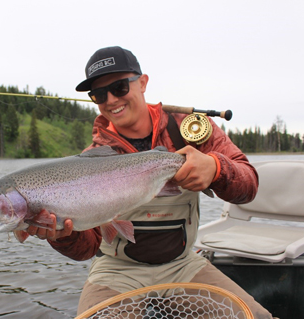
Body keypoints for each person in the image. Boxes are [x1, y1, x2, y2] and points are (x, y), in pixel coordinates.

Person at [26, 46, 273, 318]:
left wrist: (215, 168)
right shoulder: (90, 161)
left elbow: (249, 187)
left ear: (143, 83)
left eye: (119, 87)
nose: (110, 100)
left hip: (183, 265)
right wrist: (62, 235)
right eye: (98, 94)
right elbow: (88, 248)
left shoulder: (190, 130)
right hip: (116, 270)